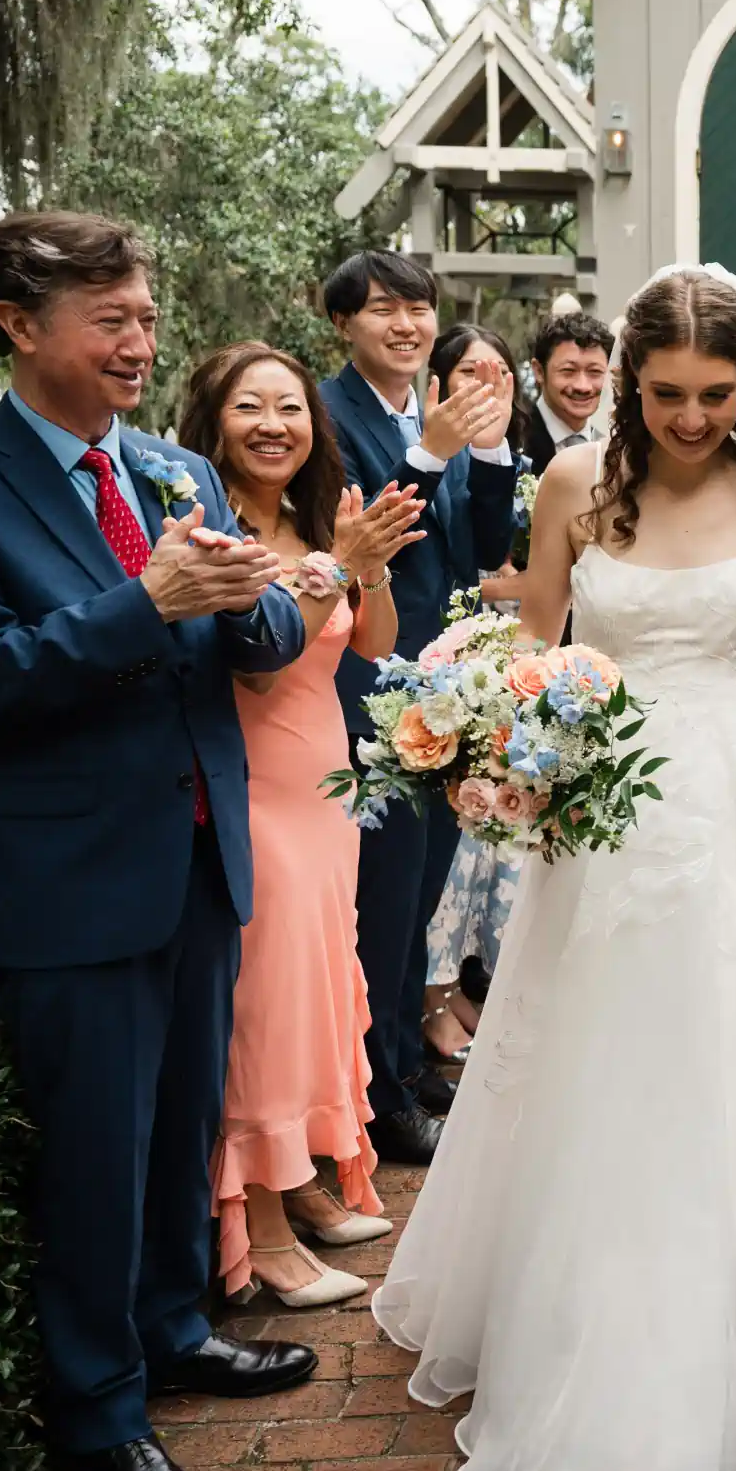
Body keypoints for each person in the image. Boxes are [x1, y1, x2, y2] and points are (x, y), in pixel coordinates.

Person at [372, 265, 736, 1471]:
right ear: (629, 386)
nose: (688, 417)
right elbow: (537, 649)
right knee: (604, 1054)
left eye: (713, 395)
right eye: (665, 393)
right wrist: (485, 735)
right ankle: (591, 1305)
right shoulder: (573, 485)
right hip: (606, 809)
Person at [0, 212, 316, 1471]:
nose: (141, 340)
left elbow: (270, 629)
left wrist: (244, 595)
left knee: (183, 1122)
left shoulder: (176, 467)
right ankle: (100, 1416)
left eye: (145, 312)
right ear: (19, 322)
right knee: (94, 1156)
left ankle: (179, 1327)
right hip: (68, 882)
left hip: (196, 853)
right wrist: (145, 603)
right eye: (111, 319)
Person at [177, 342, 426, 1310]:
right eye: (251, 407)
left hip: (327, 792)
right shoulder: (211, 531)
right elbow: (257, 665)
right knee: (267, 1011)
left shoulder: (316, 520)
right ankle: (264, 1233)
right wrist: (338, 567)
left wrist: (371, 568)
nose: (275, 424)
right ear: (215, 421)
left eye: (290, 406)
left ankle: (309, 1183)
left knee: (318, 988)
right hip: (254, 795)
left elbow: (371, 643)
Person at [319, 251, 519, 1165]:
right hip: (368, 679)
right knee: (385, 897)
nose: (406, 324)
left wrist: (487, 449)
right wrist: (434, 448)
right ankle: (378, 1090)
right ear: (344, 324)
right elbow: (376, 543)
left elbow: (481, 550)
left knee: (425, 885)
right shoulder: (326, 415)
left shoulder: (431, 408)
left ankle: (402, 1059)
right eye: (385, 309)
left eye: (420, 308)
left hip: (442, 680)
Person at [419, 323, 529, 1055]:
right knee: (445, 851)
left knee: (474, 844)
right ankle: (429, 1001)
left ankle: (446, 989)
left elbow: (496, 545)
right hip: (430, 656)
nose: (484, 384)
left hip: (480, 659)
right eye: (469, 371)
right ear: (439, 382)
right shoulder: (423, 447)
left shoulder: (497, 459)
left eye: (498, 372)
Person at [517, 306, 615, 469]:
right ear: (539, 371)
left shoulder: (617, 443)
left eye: (595, 372)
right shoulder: (511, 441)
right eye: (568, 371)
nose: (583, 387)